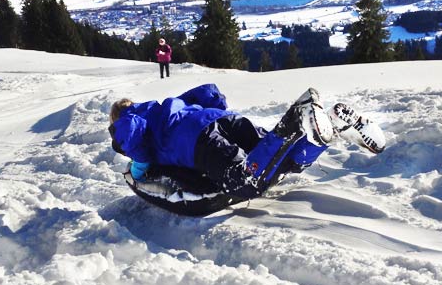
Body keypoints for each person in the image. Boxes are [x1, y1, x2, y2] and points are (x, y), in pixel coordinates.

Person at [108, 84, 378, 201]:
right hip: (223, 119)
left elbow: (137, 149)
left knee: (244, 181)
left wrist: (134, 172)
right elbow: (209, 95)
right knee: (280, 162)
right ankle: (330, 125)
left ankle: (295, 119)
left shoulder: (130, 122)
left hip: (197, 141)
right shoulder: (165, 108)